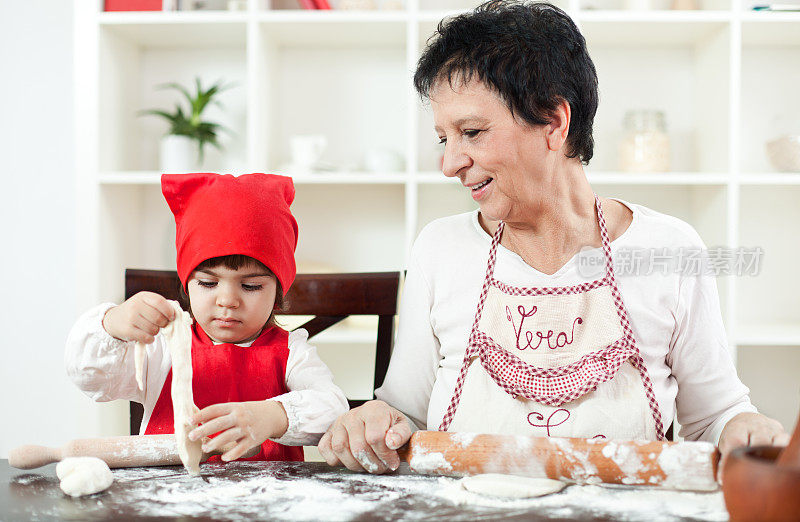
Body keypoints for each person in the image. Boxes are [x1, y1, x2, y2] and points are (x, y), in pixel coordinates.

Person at [318, 0, 789, 474]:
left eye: (472, 132)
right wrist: (378, 419)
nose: (449, 163)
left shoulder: (669, 249)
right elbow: (408, 412)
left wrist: (744, 426)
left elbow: (715, 416)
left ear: (554, 122)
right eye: (445, 139)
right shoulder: (439, 249)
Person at [66, 173, 348, 462]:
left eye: (250, 286)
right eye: (208, 284)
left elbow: (334, 408)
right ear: (187, 285)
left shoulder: (291, 353)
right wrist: (112, 324)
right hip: (168, 497)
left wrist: (272, 417)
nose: (227, 300)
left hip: (265, 500)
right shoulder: (160, 348)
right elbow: (89, 377)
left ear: (278, 291)